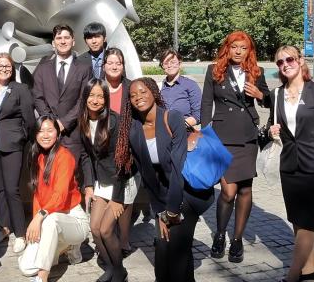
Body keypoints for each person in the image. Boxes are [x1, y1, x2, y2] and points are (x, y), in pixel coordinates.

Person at [128, 77, 214, 282]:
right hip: (164, 197)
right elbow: (148, 177)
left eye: (142, 91)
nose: (138, 97)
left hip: (186, 193)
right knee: (168, 250)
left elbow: (178, 167)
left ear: (153, 92)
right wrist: (160, 213)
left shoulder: (171, 117)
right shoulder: (134, 128)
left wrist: (172, 211)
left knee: (174, 251)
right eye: (132, 95)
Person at [267, 46, 314, 282]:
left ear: (300, 61)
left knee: (308, 224)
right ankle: (310, 271)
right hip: (289, 166)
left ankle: (292, 276)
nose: (285, 64)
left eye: (289, 59)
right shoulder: (277, 94)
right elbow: (273, 126)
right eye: (279, 62)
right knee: (298, 221)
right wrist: (271, 130)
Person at [200, 31, 270, 263]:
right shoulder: (214, 70)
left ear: (249, 50)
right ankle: (220, 234)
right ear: (227, 49)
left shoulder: (255, 72)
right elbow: (206, 103)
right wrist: (206, 135)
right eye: (234, 47)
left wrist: (260, 94)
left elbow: (270, 100)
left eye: (243, 47)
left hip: (247, 136)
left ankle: (237, 239)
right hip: (223, 137)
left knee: (245, 190)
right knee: (228, 192)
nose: (238, 51)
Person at [18, 116, 90, 282]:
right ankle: (64, 247)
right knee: (26, 267)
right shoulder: (37, 156)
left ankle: (43, 276)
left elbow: (60, 196)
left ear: (58, 134)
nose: (45, 135)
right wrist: (37, 223)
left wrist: (38, 218)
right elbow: (37, 195)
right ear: (35, 135)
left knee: (51, 222)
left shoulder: (65, 157)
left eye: (50, 130)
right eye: (41, 131)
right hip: (49, 216)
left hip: (73, 218)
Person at [79, 78, 135, 282]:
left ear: (106, 98)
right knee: (94, 228)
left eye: (100, 96)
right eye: (91, 95)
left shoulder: (115, 121)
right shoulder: (83, 120)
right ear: (85, 97)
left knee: (106, 229)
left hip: (121, 181)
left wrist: (117, 199)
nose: (95, 100)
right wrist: (88, 186)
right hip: (101, 181)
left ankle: (119, 271)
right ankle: (112, 266)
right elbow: (85, 156)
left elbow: (123, 161)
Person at [0, 53, 36, 251]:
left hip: (12, 144)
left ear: (12, 69)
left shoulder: (19, 89)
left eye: (8, 66)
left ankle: (20, 233)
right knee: (0, 189)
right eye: (0, 65)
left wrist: (22, 137)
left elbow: (29, 119)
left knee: (12, 189)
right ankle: (5, 227)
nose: (4, 69)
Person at [32, 24, 93, 165]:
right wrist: (52, 123)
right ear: (53, 43)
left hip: (73, 134)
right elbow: (38, 97)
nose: (63, 41)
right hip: (48, 134)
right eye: (59, 38)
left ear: (73, 41)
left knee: (71, 179)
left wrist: (64, 123)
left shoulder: (84, 69)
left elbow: (83, 100)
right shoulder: (42, 68)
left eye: (66, 37)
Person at [102, 47, 142, 250]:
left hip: (129, 149)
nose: (114, 66)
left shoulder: (131, 87)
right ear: (104, 66)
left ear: (123, 66)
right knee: (110, 194)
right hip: (104, 150)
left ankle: (124, 238)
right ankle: (108, 233)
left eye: (118, 62)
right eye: (110, 62)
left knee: (126, 196)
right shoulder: (99, 88)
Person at [159, 49, 201, 129]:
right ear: (162, 66)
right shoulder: (159, 87)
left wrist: (178, 126)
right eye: (166, 63)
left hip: (184, 132)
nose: (169, 65)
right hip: (164, 134)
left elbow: (198, 115)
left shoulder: (190, 85)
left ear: (180, 63)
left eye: (173, 62)